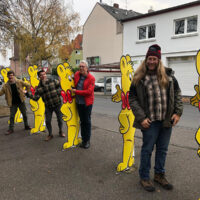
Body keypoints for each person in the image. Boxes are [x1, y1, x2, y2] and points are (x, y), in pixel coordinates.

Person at [129, 44, 183, 192]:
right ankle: (144, 177)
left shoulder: (169, 76)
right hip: (150, 122)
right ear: (146, 60)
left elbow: (178, 94)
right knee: (147, 149)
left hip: (166, 121)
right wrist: (141, 118)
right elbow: (132, 98)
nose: (151, 61)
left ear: (159, 60)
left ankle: (159, 175)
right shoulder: (139, 78)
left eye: (154, 59)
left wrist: (178, 113)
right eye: (149, 58)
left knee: (163, 149)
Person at [26, 69, 65, 141]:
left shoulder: (52, 81)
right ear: (39, 77)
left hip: (58, 104)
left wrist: (58, 91)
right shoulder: (39, 87)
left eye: (44, 74)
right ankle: (50, 134)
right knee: (47, 121)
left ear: (46, 74)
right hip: (48, 106)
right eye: (41, 75)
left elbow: (61, 86)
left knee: (60, 119)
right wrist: (27, 94)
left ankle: (60, 131)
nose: (43, 76)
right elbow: (35, 98)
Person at [72, 60, 95, 149]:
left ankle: (87, 141)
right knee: (82, 121)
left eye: (83, 66)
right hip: (78, 103)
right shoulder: (77, 74)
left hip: (86, 103)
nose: (81, 68)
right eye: (80, 66)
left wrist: (76, 91)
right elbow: (72, 81)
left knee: (87, 122)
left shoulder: (91, 78)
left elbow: (89, 92)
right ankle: (83, 140)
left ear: (87, 68)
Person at [0, 70, 31, 135]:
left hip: (21, 101)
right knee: (12, 116)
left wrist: (27, 92)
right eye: (9, 75)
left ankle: (26, 126)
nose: (10, 77)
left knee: (24, 114)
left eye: (12, 75)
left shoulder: (19, 81)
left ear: (14, 76)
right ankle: (11, 129)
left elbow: (28, 85)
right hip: (12, 103)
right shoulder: (6, 85)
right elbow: (1, 93)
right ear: (7, 76)